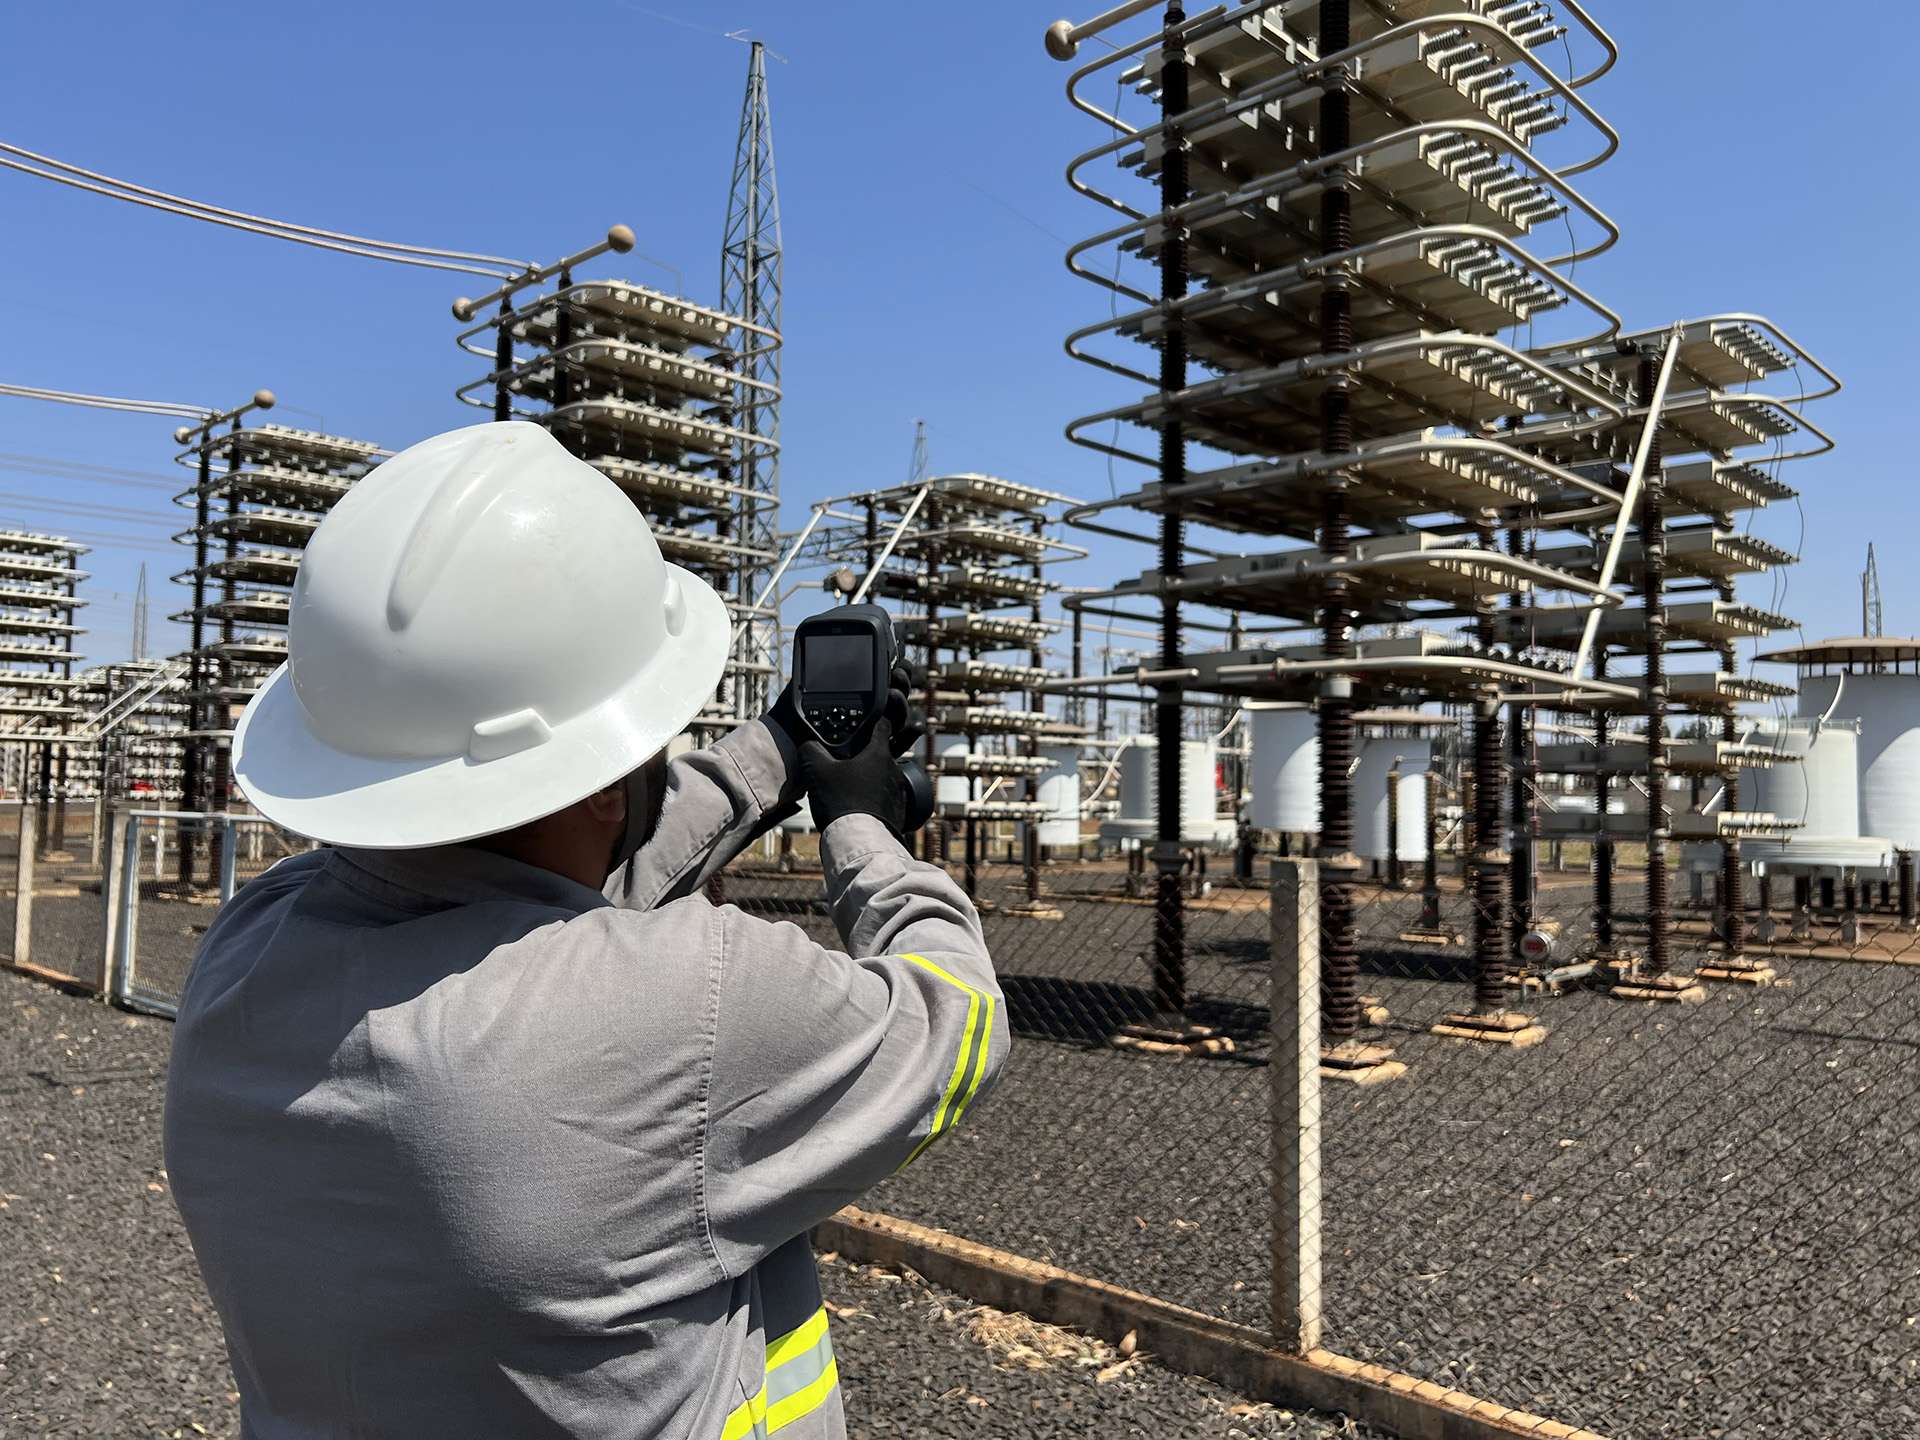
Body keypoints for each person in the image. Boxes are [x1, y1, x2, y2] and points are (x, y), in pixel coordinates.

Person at [162, 421, 1006, 1439]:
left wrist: (774, 755)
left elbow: (524, 890)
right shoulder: (697, 1003)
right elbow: (956, 1023)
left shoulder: (247, 952)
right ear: (607, 776)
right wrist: (866, 830)